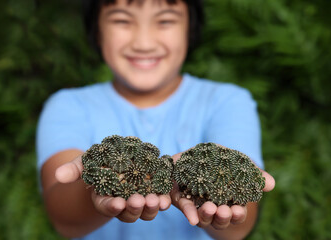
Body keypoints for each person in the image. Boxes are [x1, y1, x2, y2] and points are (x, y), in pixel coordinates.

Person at [36, 0, 275, 239]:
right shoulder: (68, 106)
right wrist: (99, 180)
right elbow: (64, 220)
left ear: (190, 28)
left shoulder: (227, 101)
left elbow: (239, 228)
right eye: (122, 20)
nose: (143, 42)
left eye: (165, 21)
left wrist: (222, 183)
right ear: (96, 30)